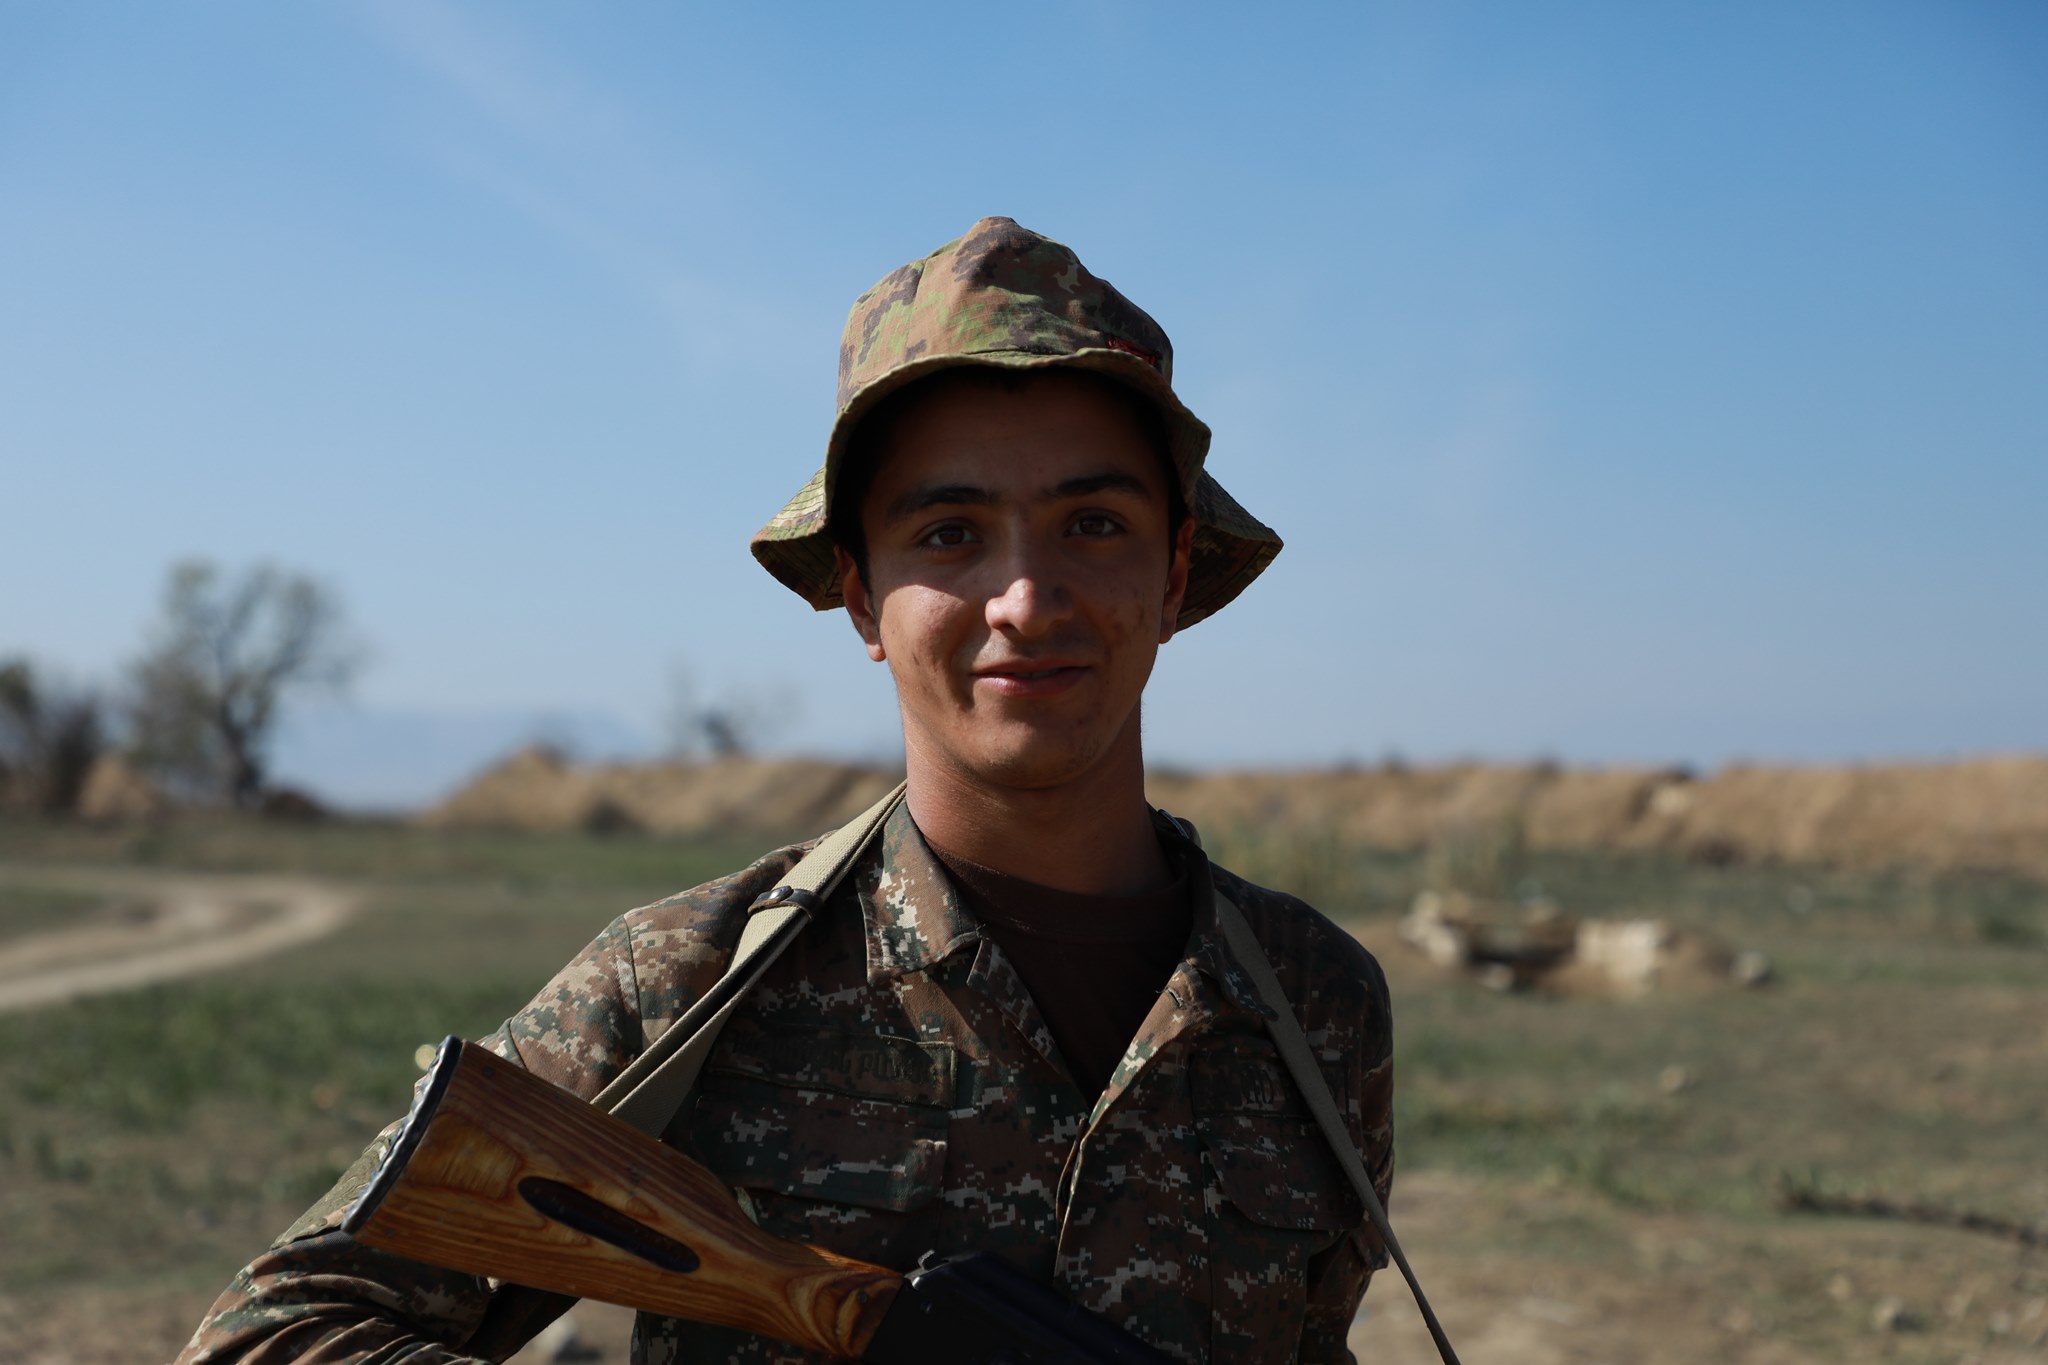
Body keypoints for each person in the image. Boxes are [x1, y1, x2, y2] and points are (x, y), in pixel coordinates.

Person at [177, 217, 1395, 1365]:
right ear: (861, 598)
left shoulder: (1316, 1007)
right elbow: (272, 1331)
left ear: (1172, 575)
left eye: (1092, 523)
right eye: (949, 534)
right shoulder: (687, 982)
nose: (1026, 601)